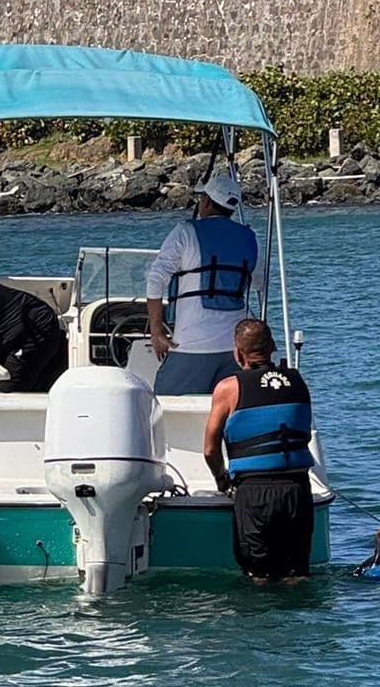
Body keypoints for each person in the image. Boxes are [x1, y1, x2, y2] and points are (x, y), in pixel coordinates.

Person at [203, 318, 315, 580]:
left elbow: (210, 449)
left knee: (259, 577)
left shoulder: (228, 388)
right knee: (296, 574)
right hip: (297, 489)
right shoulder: (298, 381)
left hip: (254, 492)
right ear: (273, 346)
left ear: (237, 352)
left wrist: (222, 481)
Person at [144, 171, 263, 395]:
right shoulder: (250, 237)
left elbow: (155, 279)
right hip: (234, 349)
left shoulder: (185, 231)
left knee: (161, 402)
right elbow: (258, 283)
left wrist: (156, 329)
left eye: (201, 198)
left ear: (206, 202)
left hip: (191, 345)